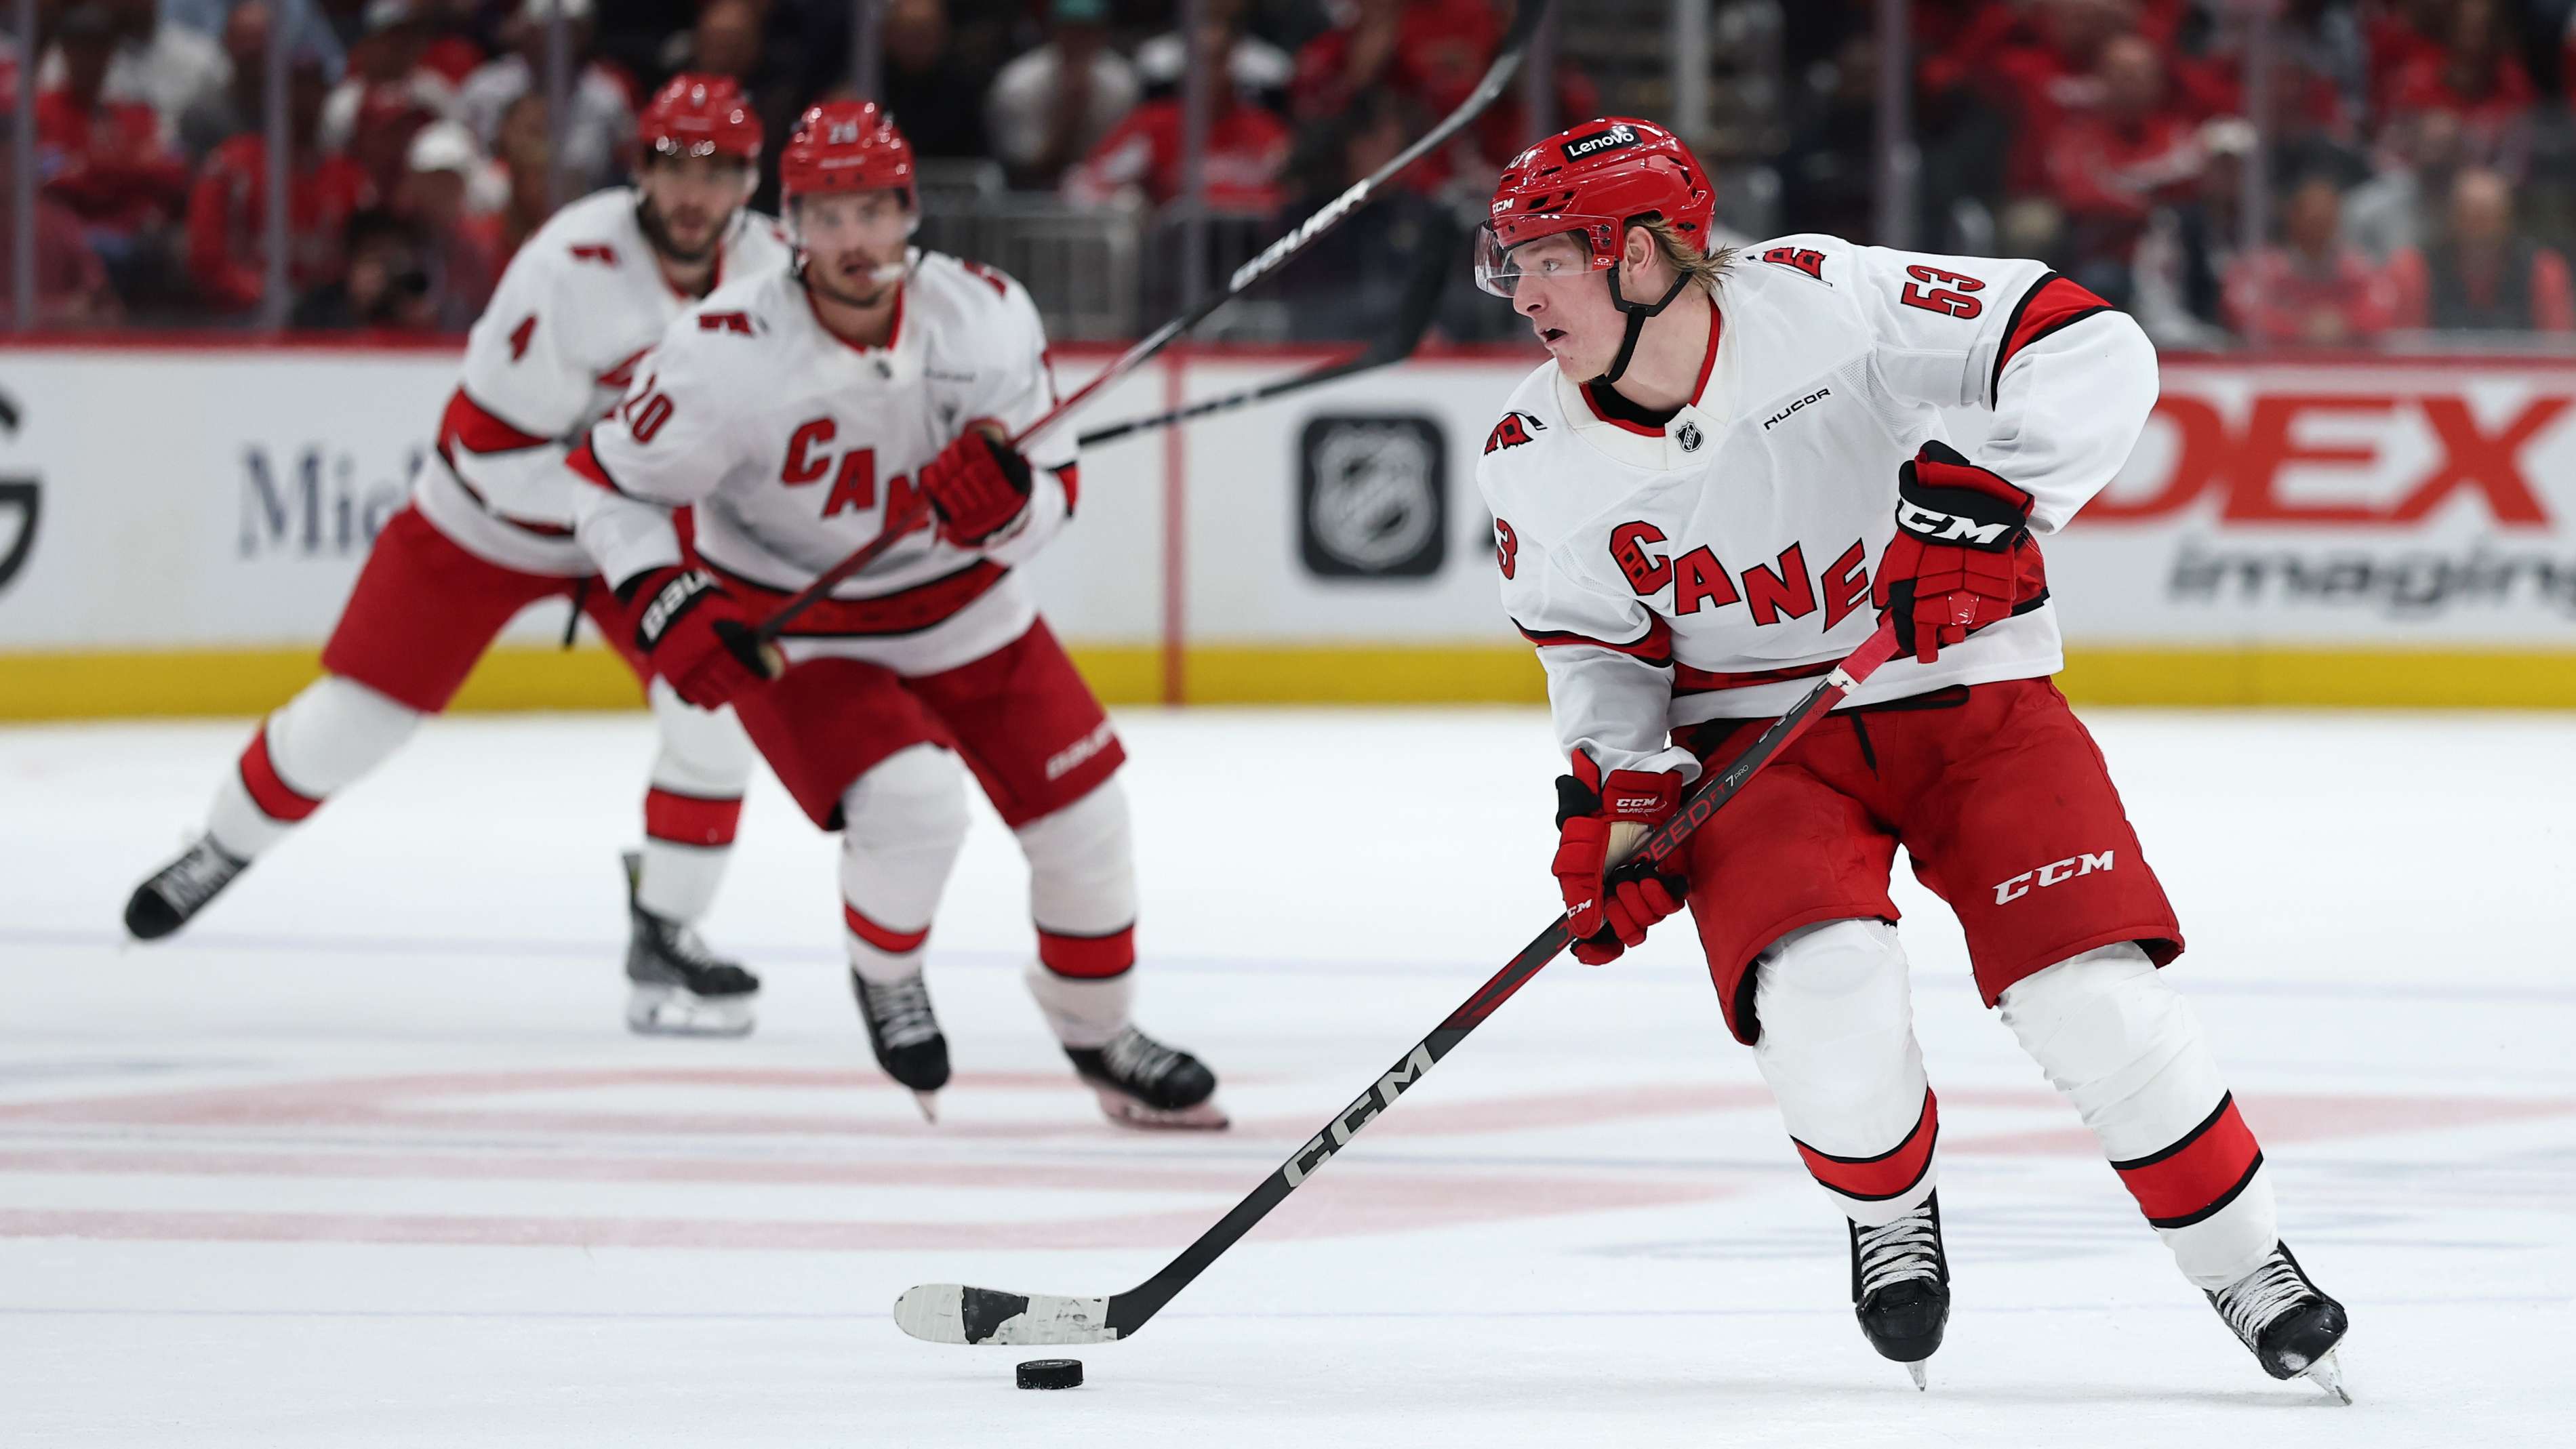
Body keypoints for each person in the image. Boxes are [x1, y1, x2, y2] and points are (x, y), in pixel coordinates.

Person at [1469, 116, 2350, 1397]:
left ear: (1647, 252)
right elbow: (1594, 650)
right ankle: (1888, 1207)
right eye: (1513, 262)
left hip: (1970, 693)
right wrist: (1616, 791)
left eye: (1551, 257)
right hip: (1760, 744)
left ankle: (2246, 1260)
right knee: (1824, 995)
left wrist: (1999, 495)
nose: (1522, 291)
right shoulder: (1529, 457)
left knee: (2088, 994)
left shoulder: (1828, 300)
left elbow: (2094, 343)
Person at [561, 102, 1224, 1130]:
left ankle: (1099, 1029)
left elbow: (1053, 489)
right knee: (915, 805)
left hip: (971, 611)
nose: (853, 241)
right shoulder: (724, 350)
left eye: (872, 212)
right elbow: (609, 483)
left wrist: (1005, 509)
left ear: (909, 211)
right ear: (789, 227)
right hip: (805, 625)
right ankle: (889, 972)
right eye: (827, 217)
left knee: (1088, 823)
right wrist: (662, 597)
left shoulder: (988, 314)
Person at [125, 77, 795, 1042]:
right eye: (676, 168)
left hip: (636, 535)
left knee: (712, 705)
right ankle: (219, 848)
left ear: (749, 181)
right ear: (641, 169)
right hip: (489, 521)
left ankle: (666, 929)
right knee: (352, 723)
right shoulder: (568, 263)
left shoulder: (774, 271)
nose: (696, 194)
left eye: (720, 172)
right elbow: (491, 453)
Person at [2386, 166, 2574, 333]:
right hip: (2438, 371)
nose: (2479, 229)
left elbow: (2558, 349)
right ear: (2452, 218)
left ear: (2507, 220)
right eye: (2469, 215)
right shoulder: (2414, 269)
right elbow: (2406, 347)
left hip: (2522, 372)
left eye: (2488, 216)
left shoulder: (2543, 270)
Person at [2223, 171, 2397, 347]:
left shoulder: (2358, 270)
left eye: (2326, 213)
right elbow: (2242, 311)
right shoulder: (2262, 269)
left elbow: (2383, 305)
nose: (2319, 221)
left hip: (2344, 362)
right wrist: (2299, 327)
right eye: (2312, 213)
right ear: (2293, 216)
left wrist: (2346, 323)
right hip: (2278, 362)